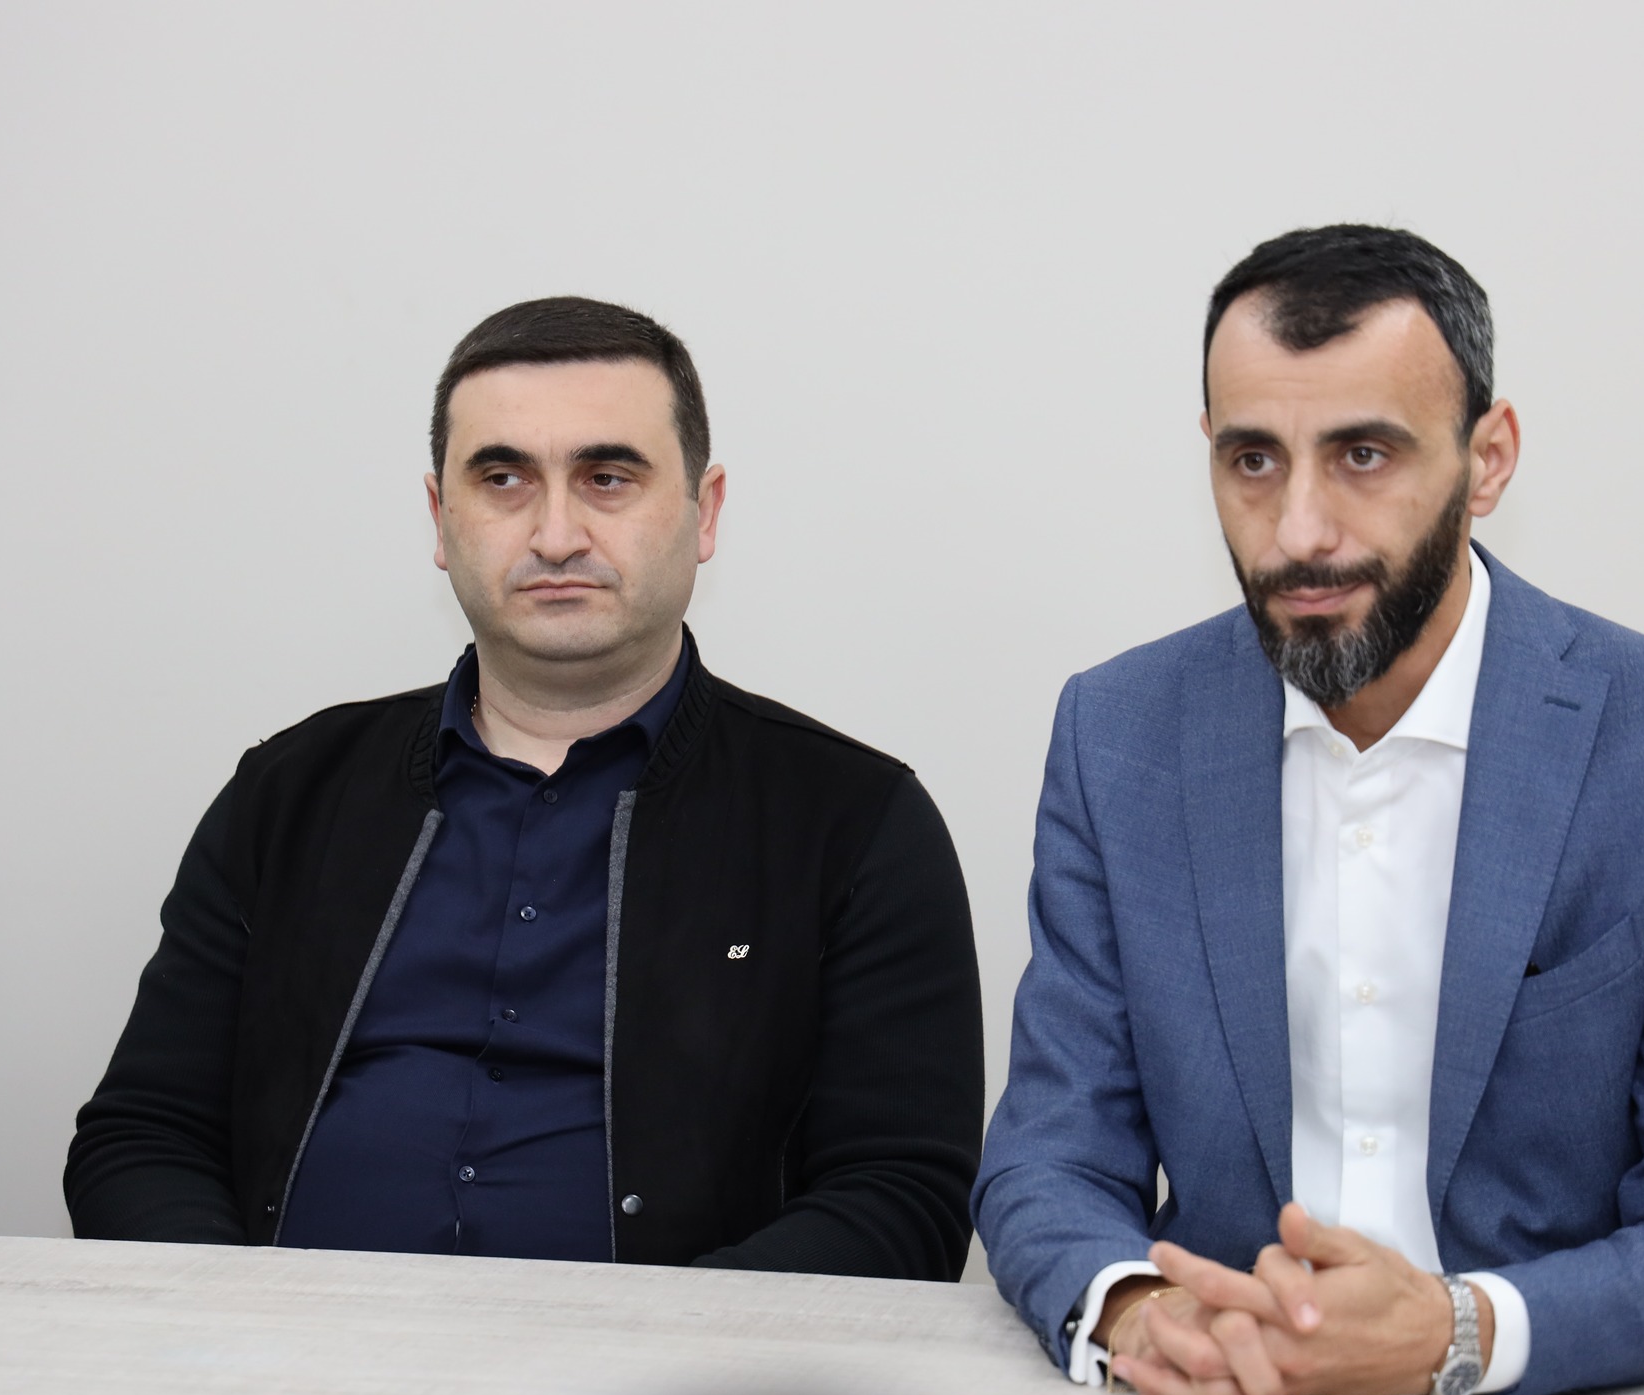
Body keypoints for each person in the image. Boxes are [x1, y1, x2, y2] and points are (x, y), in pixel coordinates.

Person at [971, 225, 1644, 1395]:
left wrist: (1452, 1333)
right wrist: (1143, 1316)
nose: (1299, 530)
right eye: (1252, 459)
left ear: (1487, 458)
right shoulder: (1119, 735)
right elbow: (1049, 1154)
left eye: (1361, 453)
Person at [67, 297, 983, 1281]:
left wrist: (661, 1349)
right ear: (439, 518)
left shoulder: (852, 823)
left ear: (705, 510)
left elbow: (900, 1200)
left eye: (607, 477)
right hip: (287, 1356)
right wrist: (240, 1327)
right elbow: (141, 1137)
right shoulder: (288, 794)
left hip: (675, 1369)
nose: (554, 534)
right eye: (502, 479)